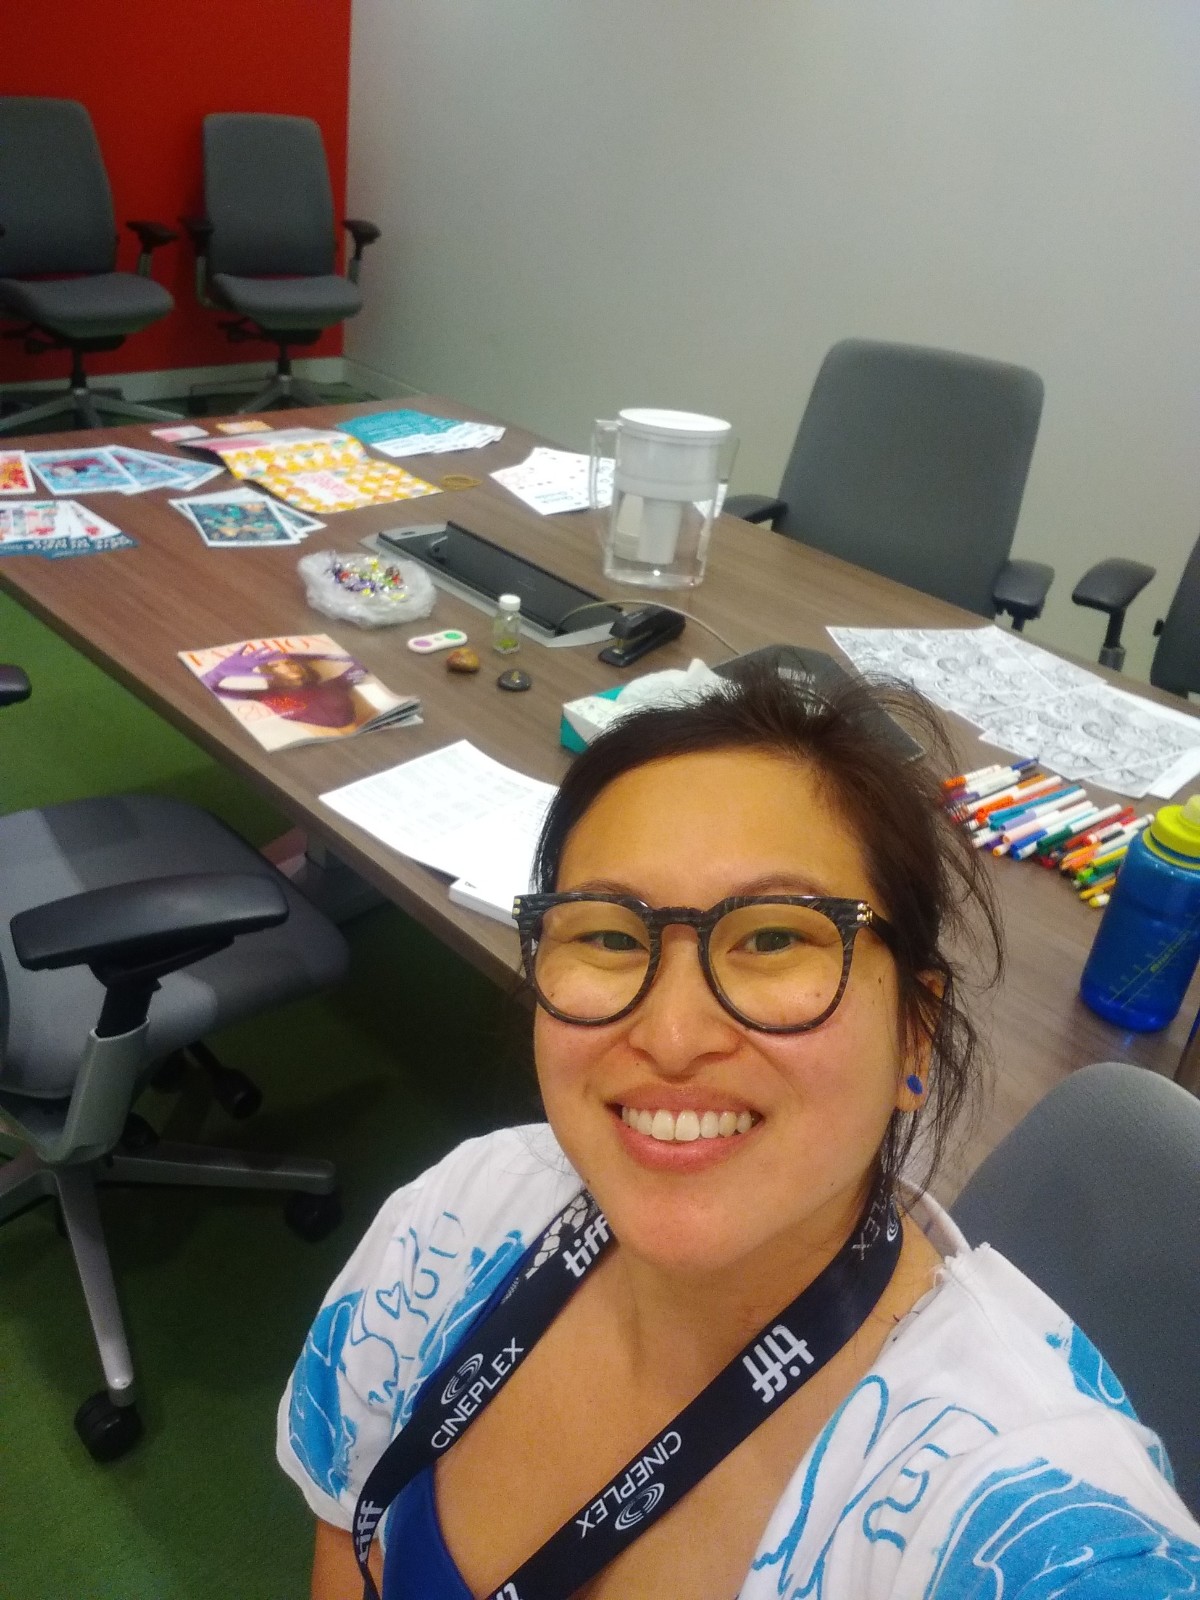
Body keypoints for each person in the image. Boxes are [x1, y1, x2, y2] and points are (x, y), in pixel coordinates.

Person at [277, 666, 1200, 1598]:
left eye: (771, 939)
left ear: (914, 1034)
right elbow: (350, 1543)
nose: (672, 1039)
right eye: (608, 936)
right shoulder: (456, 1219)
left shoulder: (1034, 1526)